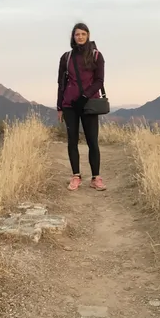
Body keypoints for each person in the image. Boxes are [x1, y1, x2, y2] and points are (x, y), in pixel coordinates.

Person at [56, 22, 106, 191]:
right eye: (77, 34)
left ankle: (96, 178)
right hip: (70, 105)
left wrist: (85, 96)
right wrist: (59, 107)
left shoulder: (97, 56)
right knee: (72, 141)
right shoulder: (66, 57)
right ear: (73, 37)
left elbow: (99, 81)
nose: (80, 37)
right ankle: (76, 176)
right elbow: (61, 83)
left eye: (83, 34)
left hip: (89, 103)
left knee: (92, 140)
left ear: (88, 35)